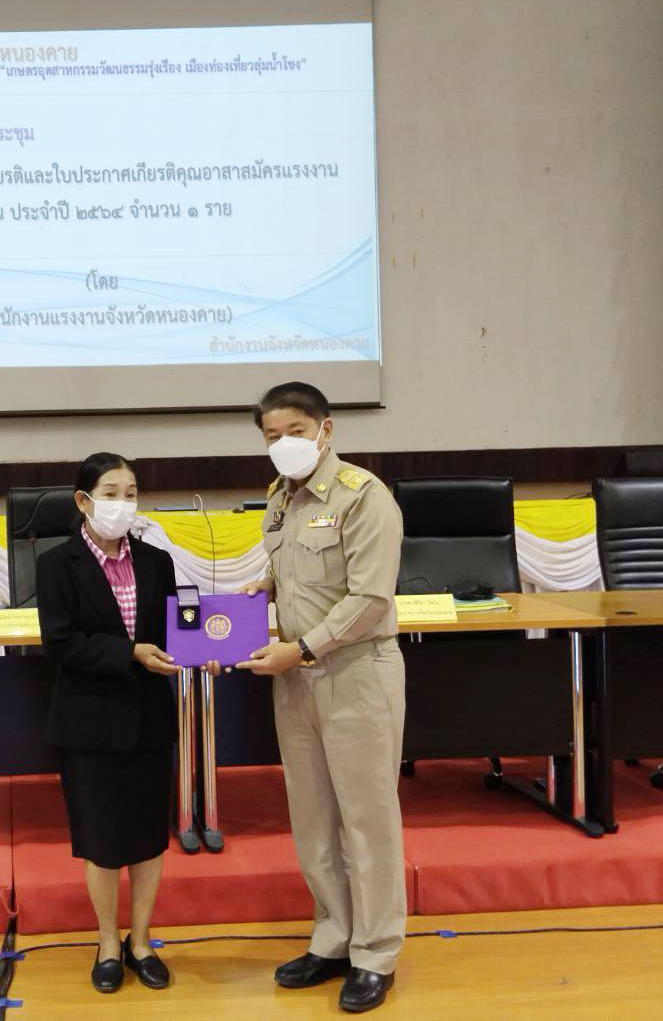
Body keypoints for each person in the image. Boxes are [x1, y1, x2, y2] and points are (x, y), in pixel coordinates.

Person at [238, 381, 406, 1014]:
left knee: (366, 820)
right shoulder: (279, 499)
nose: (284, 444)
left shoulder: (364, 496)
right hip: (296, 679)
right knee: (312, 818)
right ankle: (334, 937)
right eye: (272, 436)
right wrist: (265, 588)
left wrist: (304, 648)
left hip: (356, 672)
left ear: (325, 430)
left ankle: (375, 953)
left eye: (296, 432)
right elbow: (298, 574)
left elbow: (370, 599)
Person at [34, 452, 179, 994]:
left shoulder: (157, 561)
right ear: (84, 501)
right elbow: (61, 643)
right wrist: (129, 653)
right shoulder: (56, 564)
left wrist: (207, 649)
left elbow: (176, 629)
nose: (123, 503)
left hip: (149, 718)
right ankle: (107, 943)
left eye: (131, 493)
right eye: (111, 493)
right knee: (101, 840)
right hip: (89, 721)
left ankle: (141, 941)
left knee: (148, 837)